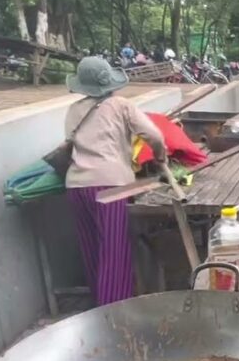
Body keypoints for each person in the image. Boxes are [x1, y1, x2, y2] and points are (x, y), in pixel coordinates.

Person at [63, 57, 167, 307]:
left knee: (93, 253)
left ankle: (99, 311)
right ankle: (114, 316)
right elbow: (154, 135)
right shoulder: (121, 105)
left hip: (76, 187)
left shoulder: (74, 110)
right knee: (114, 253)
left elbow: (70, 143)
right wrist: (161, 157)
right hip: (111, 187)